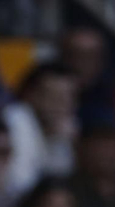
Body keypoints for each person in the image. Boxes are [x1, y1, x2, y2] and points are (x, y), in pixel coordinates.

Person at [4, 63, 78, 191]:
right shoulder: (16, 117)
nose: (60, 104)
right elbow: (20, 185)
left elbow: (61, 185)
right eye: (52, 96)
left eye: (67, 97)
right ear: (29, 95)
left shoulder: (67, 127)